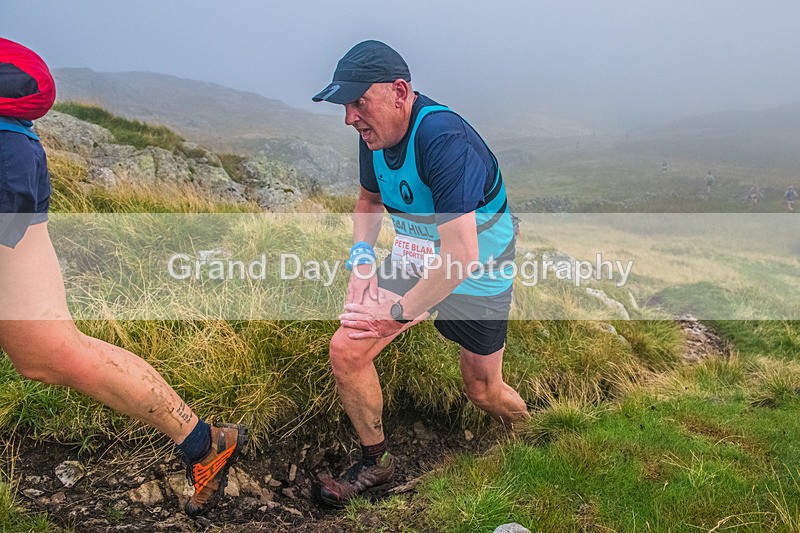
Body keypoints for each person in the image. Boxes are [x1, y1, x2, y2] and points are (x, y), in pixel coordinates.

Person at [0, 37, 246, 517]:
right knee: (49, 354)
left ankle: (205, 443)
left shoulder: (9, 146)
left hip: (10, 177)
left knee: (57, 352)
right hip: (16, 170)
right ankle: (204, 442)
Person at [312, 40, 529, 505]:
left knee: (482, 389)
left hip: (478, 269)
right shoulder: (374, 135)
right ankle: (377, 462)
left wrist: (395, 315)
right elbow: (369, 200)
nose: (349, 118)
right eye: (345, 106)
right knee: (347, 350)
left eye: (358, 102)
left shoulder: (444, 139)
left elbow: (461, 256)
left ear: (399, 91)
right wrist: (362, 261)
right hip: (417, 255)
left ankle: (529, 435)